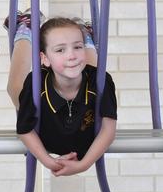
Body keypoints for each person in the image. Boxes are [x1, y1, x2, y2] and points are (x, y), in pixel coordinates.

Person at [6, 14, 117, 176]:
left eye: (78, 47)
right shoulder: (35, 84)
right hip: (47, 130)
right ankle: (25, 28)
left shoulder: (102, 81)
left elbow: (108, 129)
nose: (71, 55)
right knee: (15, 88)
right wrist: (48, 160)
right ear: (45, 58)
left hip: (84, 128)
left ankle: (85, 36)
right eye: (60, 50)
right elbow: (25, 129)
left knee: (92, 72)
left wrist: (83, 165)